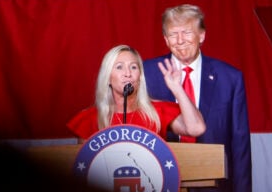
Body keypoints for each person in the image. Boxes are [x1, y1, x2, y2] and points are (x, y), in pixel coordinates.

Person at [143, 4, 253, 192]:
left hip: (213, 189)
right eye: (173, 34)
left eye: (187, 32)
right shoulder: (147, 73)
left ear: (202, 35)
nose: (180, 40)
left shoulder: (229, 77)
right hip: (160, 187)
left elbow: (239, 139)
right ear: (165, 39)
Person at [67, 44, 206, 141]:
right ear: (108, 77)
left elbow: (196, 129)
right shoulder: (89, 119)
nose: (127, 73)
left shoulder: (158, 111)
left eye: (133, 67)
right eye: (119, 67)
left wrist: (177, 89)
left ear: (140, 76)